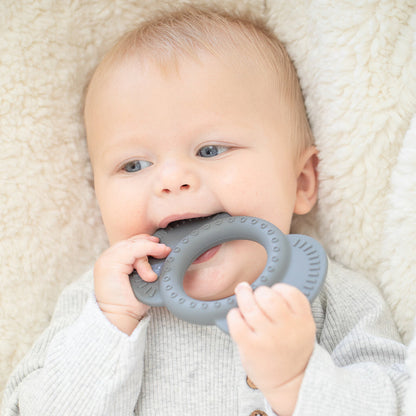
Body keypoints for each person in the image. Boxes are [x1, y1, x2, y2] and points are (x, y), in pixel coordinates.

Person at [2, 6, 408, 416]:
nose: (171, 179)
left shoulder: (330, 297)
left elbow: (396, 402)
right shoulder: (99, 304)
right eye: (134, 165)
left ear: (301, 182)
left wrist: (298, 380)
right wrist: (109, 326)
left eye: (210, 150)